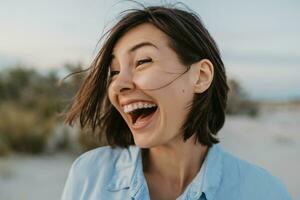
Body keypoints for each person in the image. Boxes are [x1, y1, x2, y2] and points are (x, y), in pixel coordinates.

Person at [61, 4, 291, 200]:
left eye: (142, 61)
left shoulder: (265, 192)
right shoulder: (89, 175)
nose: (119, 84)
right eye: (114, 71)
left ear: (200, 76)